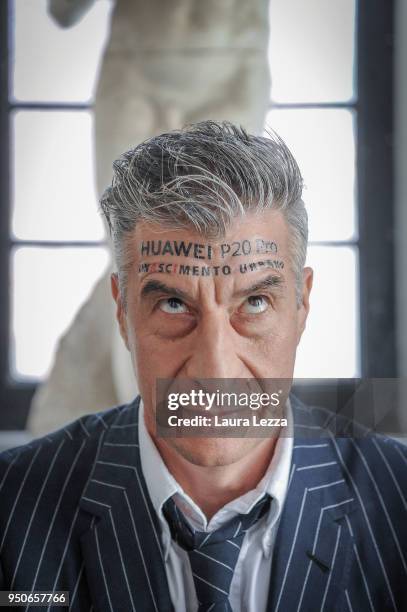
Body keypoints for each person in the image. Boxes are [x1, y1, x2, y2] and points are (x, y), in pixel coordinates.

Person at [0, 120, 406, 611]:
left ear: (301, 306)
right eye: (174, 305)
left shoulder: (399, 503)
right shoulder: (10, 510)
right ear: (123, 313)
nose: (215, 366)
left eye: (254, 303)